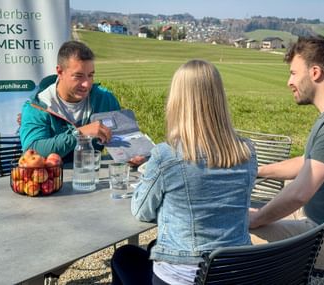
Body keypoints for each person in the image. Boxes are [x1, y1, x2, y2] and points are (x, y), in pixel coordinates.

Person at [110, 59, 258, 285]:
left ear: (177, 101)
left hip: (185, 276)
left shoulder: (166, 155)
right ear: (219, 100)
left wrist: (149, 178)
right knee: (149, 249)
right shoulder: (246, 151)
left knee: (124, 256)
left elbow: (141, 210)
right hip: (237, 271)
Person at [249, 35, 324, 271]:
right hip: (318, 224)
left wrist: (257, 218)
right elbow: (307, 162)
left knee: (234, 239)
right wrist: (258, 171)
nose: (289, 82)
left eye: (294, 73)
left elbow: (299, 193)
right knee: (236, 219)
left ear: (315, 73)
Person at [19, 40, 120, 162]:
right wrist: (80, 134)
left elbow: (123, 136)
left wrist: (133, 154)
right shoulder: (37, 106)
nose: (87, 84)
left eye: (90, 75)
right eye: (78, 76)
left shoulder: (105, 98)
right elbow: (32, 151)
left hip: (95, 176)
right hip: (53, 179)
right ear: (60, 72)